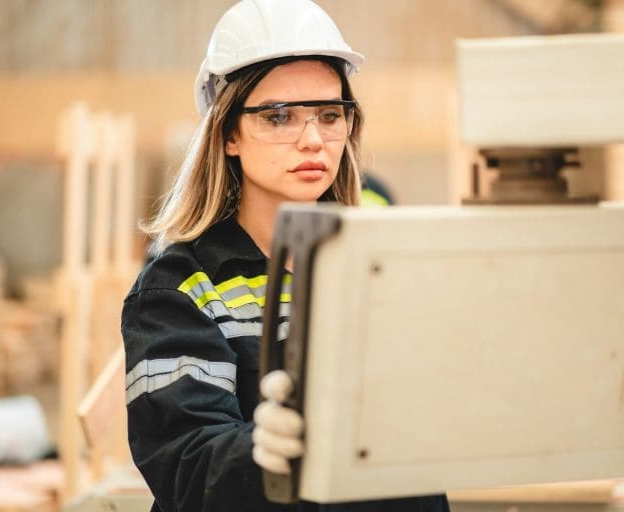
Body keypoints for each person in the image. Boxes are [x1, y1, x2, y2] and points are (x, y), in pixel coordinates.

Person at [121, 1, 451, 511]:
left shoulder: (382, 269)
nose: (313, 139)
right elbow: (183, 466)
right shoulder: (180, 289)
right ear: (228, 134)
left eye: (328, 114)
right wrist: (261, 453)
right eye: (278, 117)